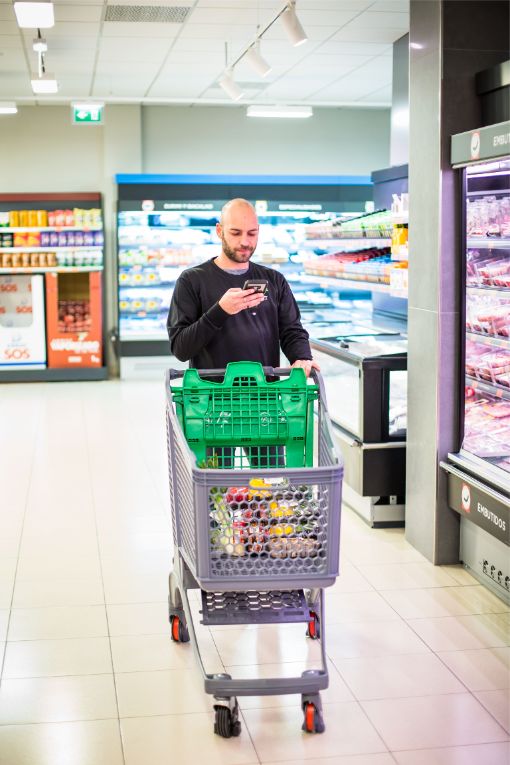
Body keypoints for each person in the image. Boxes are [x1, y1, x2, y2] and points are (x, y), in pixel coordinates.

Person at [167, 197, 320, 377]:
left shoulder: (274, 279)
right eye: (235, 233)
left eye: (252, 233)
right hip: (212, 398)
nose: (245, 242)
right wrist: (220, 310)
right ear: (219, 231)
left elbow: (292, 331)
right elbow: (180, 349)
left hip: (265, 397)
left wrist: (301, 356)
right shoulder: (191, 280)